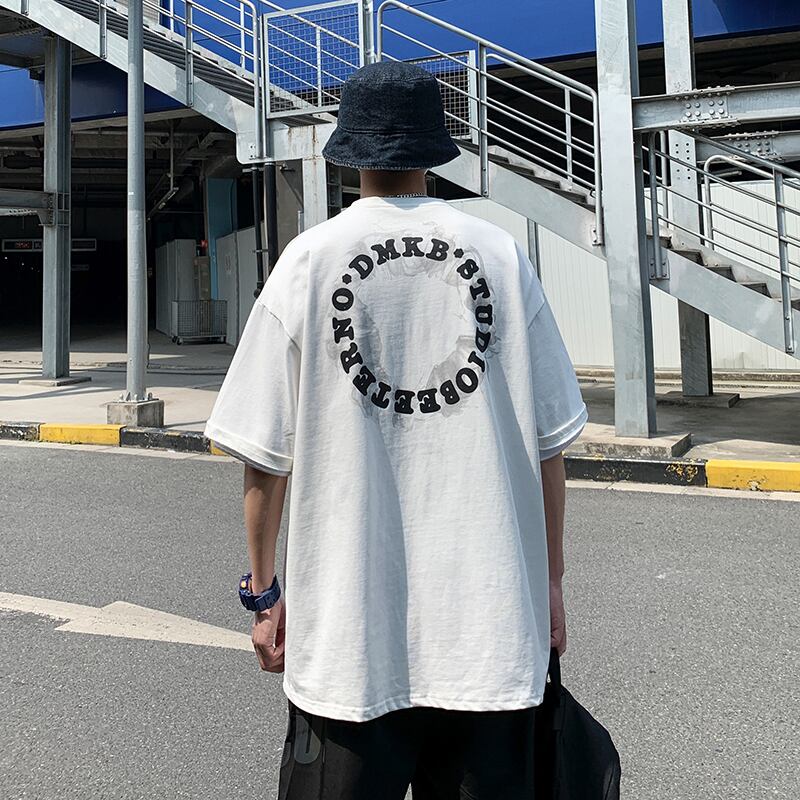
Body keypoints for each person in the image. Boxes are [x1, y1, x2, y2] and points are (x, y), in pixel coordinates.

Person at [205, 60, 587, 799]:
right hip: (490, 636)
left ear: (348, 154)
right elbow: (549, 449)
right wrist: (549, 583)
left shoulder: (307, 263)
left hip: (349, 645)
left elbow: (264, 461)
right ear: (434, 151)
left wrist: (264, 592)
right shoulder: (501, 256)